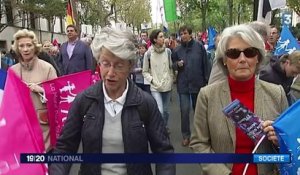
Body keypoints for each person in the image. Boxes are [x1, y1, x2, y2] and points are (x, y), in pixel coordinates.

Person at [49, 27, 175, 175]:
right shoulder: (84, 101)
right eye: (106, 63)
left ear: (130, 66)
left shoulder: (145, 103)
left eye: (119, 65)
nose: (110, 73)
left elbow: (164, 152)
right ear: (98, 64)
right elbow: (65, 147)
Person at [190, 24, 288, 175]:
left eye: (249, 52)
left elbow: (290, 146)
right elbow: (199, 143)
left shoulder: (277, 94)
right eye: (234, 53)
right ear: (224, 60)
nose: (242, 59)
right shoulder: (207, 96)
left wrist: (279, 141)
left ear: (258, 58)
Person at [10, 29, 57, 152]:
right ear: (17, 48)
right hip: (21, 127)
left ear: (35, 47)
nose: (25, 49)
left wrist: (41, 90)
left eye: (29, 45)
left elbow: (58, 96)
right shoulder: (12, 71)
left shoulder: (47, 68)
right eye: (21, 46)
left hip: (44, 129)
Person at [171, 25, 210, 146]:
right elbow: (172, 65)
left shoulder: (199, 47)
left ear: (190, 34)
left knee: (199, 111)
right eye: (181, 34)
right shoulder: (177, 50)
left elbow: (205, 64)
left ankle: (200, 135)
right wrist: (177, 64)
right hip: (183, 85)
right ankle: (186, 136)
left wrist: (207, 80)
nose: (182, 36)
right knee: (184, 111)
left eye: (184, 33)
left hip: (198, 84)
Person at [142, 29, 174, 130]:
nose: (163, 38)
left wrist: (171, 79)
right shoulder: (148, 54)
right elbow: (145, 71)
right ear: (155, 39)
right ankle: (160, 130)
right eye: (160, 37)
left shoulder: (168, 52)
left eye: (163, 36)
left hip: (167, 85)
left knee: (166, 111)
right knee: (159, 110)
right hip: (155, 86)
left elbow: (171, 67)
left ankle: (164, 125)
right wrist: (152, 80)